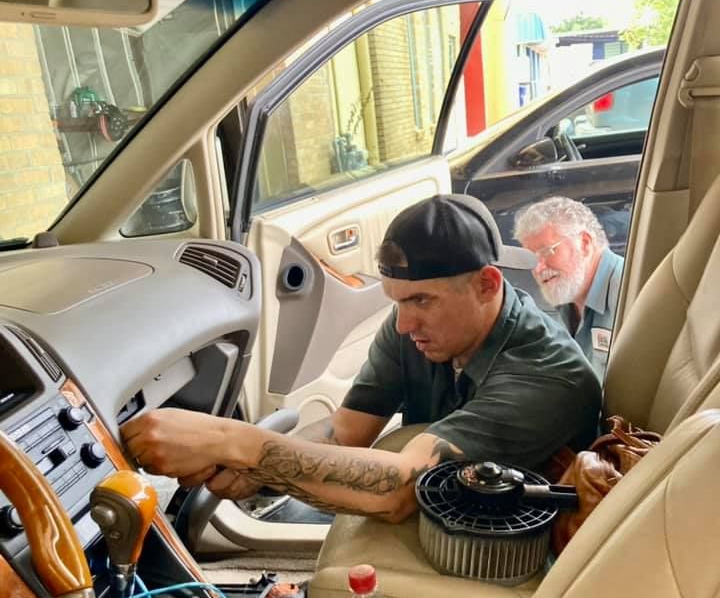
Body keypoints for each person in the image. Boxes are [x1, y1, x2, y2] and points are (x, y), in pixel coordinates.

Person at [121, 194, 601, 523]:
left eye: (421, 301)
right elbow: (345, 430)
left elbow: (396, 490)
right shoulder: (415, 331)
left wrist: (233, 440)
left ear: (487, 285)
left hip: (514, 546)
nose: (402, 323)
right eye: (395, 301)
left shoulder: (550, 373)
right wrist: (253, 473)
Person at [513, 196, 624, 380]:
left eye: (547, 251)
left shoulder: (627, 292)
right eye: (531, 257)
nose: (538, 268)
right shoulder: (566, 295)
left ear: (585, 243)